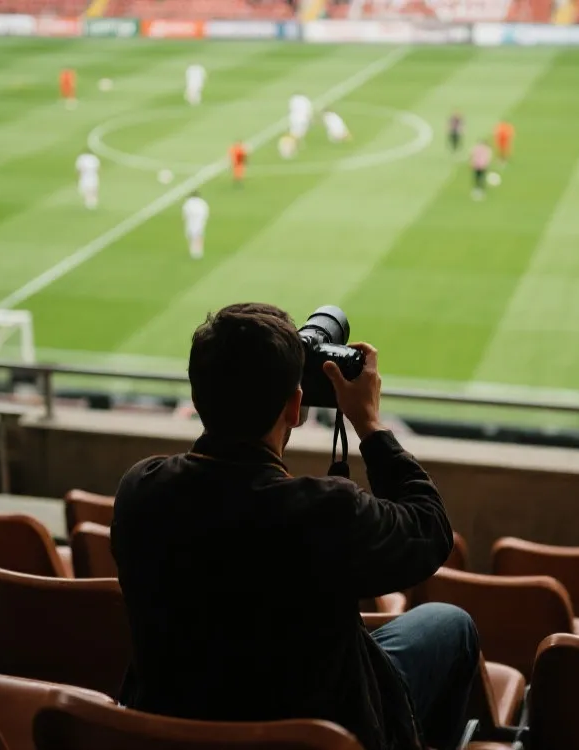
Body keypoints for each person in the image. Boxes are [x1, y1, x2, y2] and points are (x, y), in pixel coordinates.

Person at [112, 303, 477, 750]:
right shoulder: (326, 514)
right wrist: (369, 425)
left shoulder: (140, 491)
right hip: (323, 733)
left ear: (198, 395)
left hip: (177, 729)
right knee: (452, 624)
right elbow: (430, 530)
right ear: (296, 406)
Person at [181, 190, 209, 260]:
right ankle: (198, 252)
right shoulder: (202, 202)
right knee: (199, 235)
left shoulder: (188, 202)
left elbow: (185, 213)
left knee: (191, 235)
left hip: (191, 221)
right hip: (199, 221)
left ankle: (193, 251)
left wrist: (185, 218)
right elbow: (206, 212)